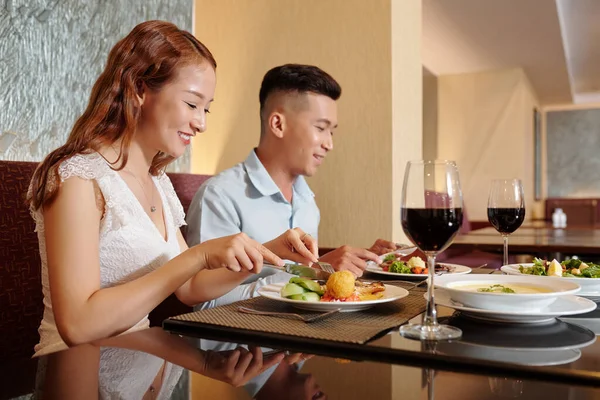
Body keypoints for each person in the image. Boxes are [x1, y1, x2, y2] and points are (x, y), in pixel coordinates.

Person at [26, 20, 315, 368]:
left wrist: (268, 252)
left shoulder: (157, 181)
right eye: (192, 104)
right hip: (72, 370)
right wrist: (198, 256)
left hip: (141, 363)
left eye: (205, 108)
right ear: (138, 88)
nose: (202, 123)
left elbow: (190, 287)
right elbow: (77, 326)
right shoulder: (78, 178)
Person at [185, 64, 400, 310]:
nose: (329, 144)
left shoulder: (307, 202)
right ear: (278, 124)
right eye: (320, 128)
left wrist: (363, 263)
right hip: (235, 348)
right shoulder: (220, 196)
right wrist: (312, 272)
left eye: (332, 131)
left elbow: (309, 288)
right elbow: (206, 303)